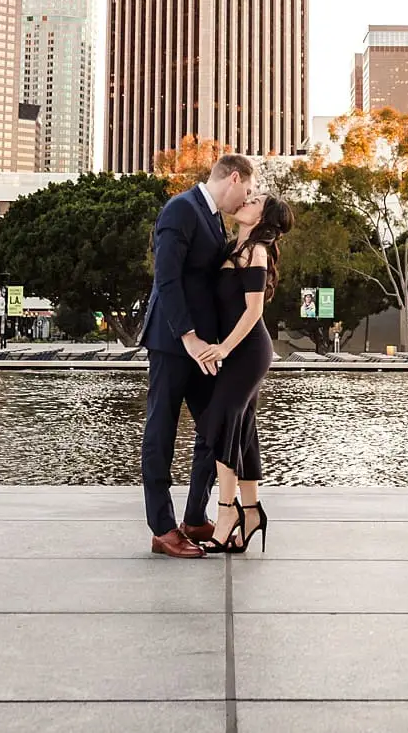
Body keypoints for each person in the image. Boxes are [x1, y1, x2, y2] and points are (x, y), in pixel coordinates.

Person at [141, 153, 254, 557]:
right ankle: (162, 528)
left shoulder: (211, 217)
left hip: (203, 349)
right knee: (161, 432)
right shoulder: (180, 209)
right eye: (248, 190)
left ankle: (193, 517)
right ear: (234, 178)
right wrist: (188, 337)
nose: (247, 198)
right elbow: (166, 279)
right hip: (173, 344)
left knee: (214, 430)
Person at [195, 192, 290, 553]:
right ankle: (250, 511)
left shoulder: (256, 253)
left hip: (248, 351)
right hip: (239, 351)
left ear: (262, 219)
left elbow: (253, 312)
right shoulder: (234, 249)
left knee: (221, 423)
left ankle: (225, 514)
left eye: (255, 202)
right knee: (243, 430)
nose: (246, 201)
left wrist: (223, 348)